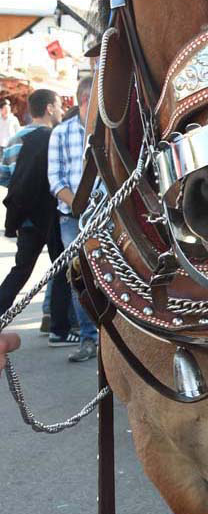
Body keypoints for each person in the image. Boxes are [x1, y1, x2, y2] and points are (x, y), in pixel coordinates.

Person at [0, 89, 75, 345]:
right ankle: (58, 329)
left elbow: (5, 176)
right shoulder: (55, 137)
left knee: (21, 269)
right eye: (59, 105)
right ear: (49, 108)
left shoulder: (15, 139)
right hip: (51, 214)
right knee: (61, 269)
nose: (61, 110)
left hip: (25, 216)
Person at [48, 75, 98, 363]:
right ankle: (88, 338)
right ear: (85, 101)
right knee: (81, 279)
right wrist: (81, 206)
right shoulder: (61, 134)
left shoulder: (107, 130)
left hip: (108, 216)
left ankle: (114, 338)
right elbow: (56, 181)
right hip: (72, 219)